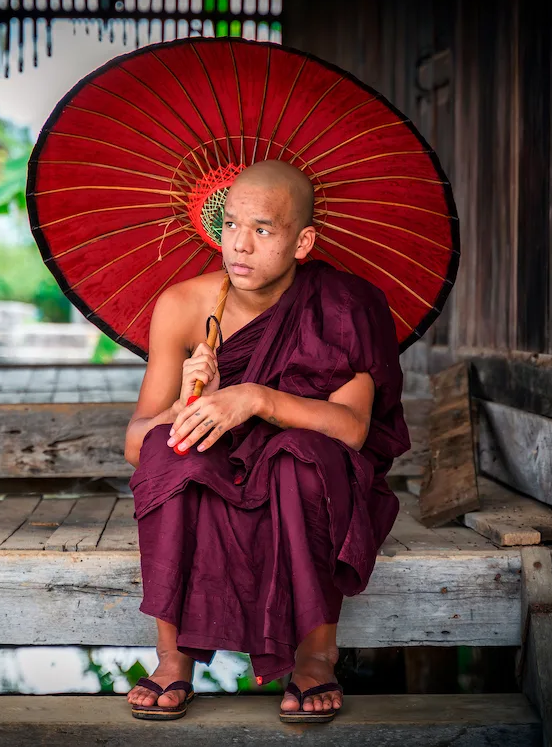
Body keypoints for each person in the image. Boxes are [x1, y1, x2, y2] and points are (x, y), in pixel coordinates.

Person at [122, 160, 410, 723]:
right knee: (168, 450)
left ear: (303, 241)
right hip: (219, 471)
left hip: (300, 475)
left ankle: (316, 653)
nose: (240, 246)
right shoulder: (182, 307)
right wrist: (185, 408)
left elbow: (352, 428)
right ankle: (173, 655)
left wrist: (257, 399)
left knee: (300, 458)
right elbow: (135, 442)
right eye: (230, 224)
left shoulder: (344, 307)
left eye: (262, 230)